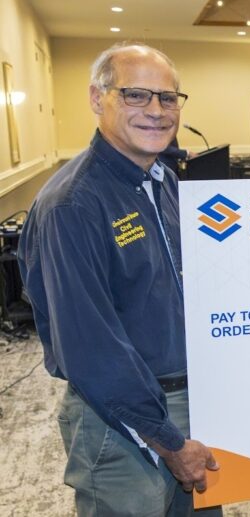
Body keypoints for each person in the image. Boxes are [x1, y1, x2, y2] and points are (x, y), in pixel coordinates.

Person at [17, 43, 222, 516]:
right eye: (135, 95)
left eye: (168, 98)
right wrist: (169, 441)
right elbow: (91, 347)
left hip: (192, 407)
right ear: (97, 98)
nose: (155, 111)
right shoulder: (73, 206)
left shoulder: (165, 182)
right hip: (123, 424)